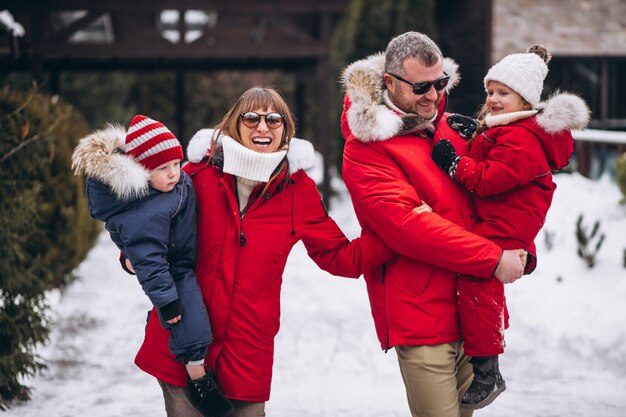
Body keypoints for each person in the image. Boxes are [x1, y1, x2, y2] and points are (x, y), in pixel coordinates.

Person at [131, 86, 397, 417]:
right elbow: (149, 224)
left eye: (274, 119)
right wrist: (132, 258)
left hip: (247, 347)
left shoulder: (298, 191)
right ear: (234, 124)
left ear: (286, 128)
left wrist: (398, 235)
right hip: (183, 340)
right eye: (251, 117)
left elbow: (340, 256)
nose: (263, 127)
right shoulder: (197, 176)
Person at [340, 31, 528, 417]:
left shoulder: (452, 129)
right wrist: (493, 258)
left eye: (441, 83)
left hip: (473, 310)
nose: (433, 95)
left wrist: (523, 249)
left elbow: (501, 198)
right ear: (389, 83)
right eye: (421, 86)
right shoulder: (365, 149)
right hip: (422, 317)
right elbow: (408, 228)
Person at [431, 45, 590, 409]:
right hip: (502, 220)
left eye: (503, 94)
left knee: (477, 282)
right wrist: (474, 133)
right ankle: (488, 345)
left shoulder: (521, 138)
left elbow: (490, 180)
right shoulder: (513, 130)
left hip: (505, 226)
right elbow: (493, 152)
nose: (493, 99)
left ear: (524, 99)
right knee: (483, 289)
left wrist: (454, 163)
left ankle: (488, 373)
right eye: (491, 92)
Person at [71, 115, 234, 417]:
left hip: (181, 261)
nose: (174, 174)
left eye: (176, 163)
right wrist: (167, 302)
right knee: (192, 323)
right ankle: (199, 381)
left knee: (196, 319)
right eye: (163, 168)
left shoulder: (167, 186)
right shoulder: (145, 211)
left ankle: (196, 369)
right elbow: (147, 261)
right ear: (142, 172)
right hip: (171, 271)